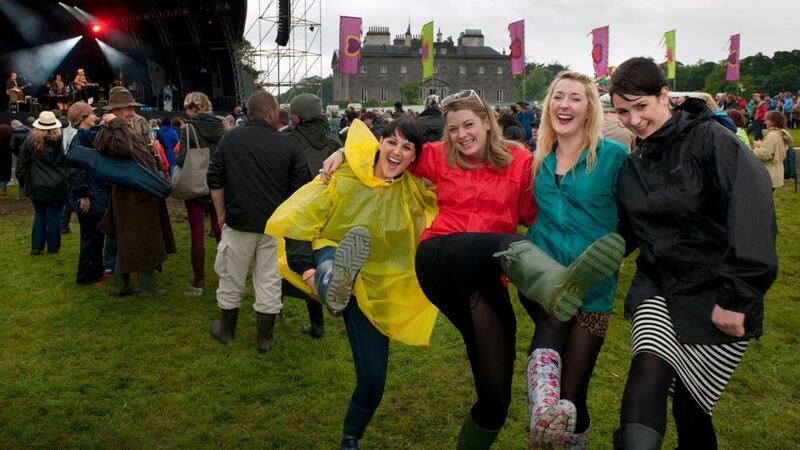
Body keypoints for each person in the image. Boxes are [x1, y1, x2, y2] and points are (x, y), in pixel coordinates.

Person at [323, 90, 624, 449]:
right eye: (452, 129)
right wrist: (344, 152)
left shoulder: (518, 161)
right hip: (439, 259)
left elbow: (536, 216)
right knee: (501, 242)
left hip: (484, 278)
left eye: (468, 125)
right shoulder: (436, 156)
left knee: (495, 398)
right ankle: (553, 285)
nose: (461, 135)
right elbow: (389, 151)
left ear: (488, 122)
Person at [609, 57, 777, 449]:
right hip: (659, 287)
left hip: (720, 292)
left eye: (640, 106)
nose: (632, 119)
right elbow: (629, 231)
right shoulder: (635, 163)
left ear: (664, 95)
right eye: (622, 110)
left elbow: (752, 212)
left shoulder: (711, 140)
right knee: (646, 371)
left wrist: (737, 296)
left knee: (691, 407)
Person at [267, 119, 438, 450]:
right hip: (329, 250)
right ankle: (328, 282)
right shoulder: (341, 175)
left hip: (377, 287)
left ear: (414, 157)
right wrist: (306, 271)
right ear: (379, 144)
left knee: (373, 378)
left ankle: (350, 438)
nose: (397, 152)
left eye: (407, 147)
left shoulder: (412, 189)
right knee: (333, 258)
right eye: (391, 142)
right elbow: (301, 219)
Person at [521, 72, 629, 449]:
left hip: (593, 292)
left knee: (573, 392)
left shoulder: (613, 156)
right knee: (546, 368)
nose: (564, 105)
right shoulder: (538, 158)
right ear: (548, 104)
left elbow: (634, 219)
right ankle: (543, 425)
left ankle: (570, 442)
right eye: (558, 97)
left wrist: (611, 257)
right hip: (546, 283)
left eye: (575, 99)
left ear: (589, 109)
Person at [206, 91, 310, 352]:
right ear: (272, 113)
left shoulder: (230, 139)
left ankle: (227, 330)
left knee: (231, 277)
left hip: (238, 221)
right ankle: (265, 337)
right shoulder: (288, 145)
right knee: (269, 279)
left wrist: (220, 214)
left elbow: (215, 180)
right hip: (273, 225)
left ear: (248, 112)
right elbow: (301, 190)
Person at [94, 86, 176, 296]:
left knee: (129, 239)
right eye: (126, 109)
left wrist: (146, 151)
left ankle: (121, 286)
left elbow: (128, 150)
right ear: (114, 111)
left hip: (138, 193)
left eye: (131, 108)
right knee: (142, 238)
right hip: (131, 196)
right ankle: (147, 288)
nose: (131, 113)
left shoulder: (121, 129)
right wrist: (114, 123)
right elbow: (121, 148)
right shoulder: (112, 130)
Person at [282, 92, 343, 337]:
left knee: (287, 263)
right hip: (329, 212)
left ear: (297, 117)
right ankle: (318, 324)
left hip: (297, 209)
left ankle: (272, 317)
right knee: (315, 260)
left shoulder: (288, 139)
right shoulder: (336, 142)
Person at [177, 92, 225, 296]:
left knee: (197, 232)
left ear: (192, 108)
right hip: (219, 184)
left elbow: (181, 160)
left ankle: (199, 283)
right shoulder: (223, 127)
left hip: (196, 184)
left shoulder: (188, 129)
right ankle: (227, 277)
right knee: (221, 230)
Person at [66, 102, 107, 285]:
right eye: (91, 114)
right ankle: (86, 277)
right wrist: (83, 195)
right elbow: (76, 170)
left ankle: (96, 273)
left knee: (96, 236)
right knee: (90, 237)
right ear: (82, 118)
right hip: (89, 195)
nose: (95, 117)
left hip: (93, 192)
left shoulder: (83, 137)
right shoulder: (79, 140)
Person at [15, 110, 66, 255]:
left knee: (39, 215)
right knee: (54, 216)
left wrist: (23, 181)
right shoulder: (61, 140)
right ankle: (53, 248)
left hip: (37, 184)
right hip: (58, 183)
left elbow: (21, 164)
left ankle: (37, 247)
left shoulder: (30, 140)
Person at [753, 110, 792, 191]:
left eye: (767, 120)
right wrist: (761, 145)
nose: (765, 122)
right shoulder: (779, 134)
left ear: (774, 121)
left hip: (769, 173)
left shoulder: (772, 136)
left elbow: (763, 155)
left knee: (762, 201)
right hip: (776, 172)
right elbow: (775, 150)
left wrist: (756, 148)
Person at [0, 124, 11, 196]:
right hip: (7, 159)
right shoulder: (10, 139)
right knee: (5, 175)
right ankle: (4, 191)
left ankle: (2, 191)